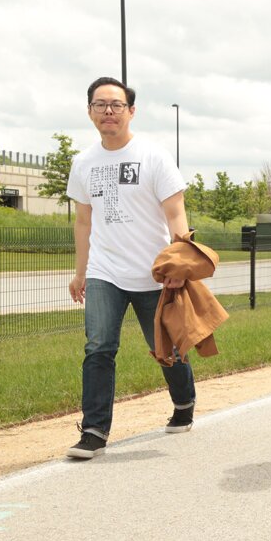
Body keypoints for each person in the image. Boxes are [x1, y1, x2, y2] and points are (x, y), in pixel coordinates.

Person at [65, 76, 196, 459]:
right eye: (100, 104)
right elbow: (84, 222)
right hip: (105, 272)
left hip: (154, 272)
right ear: (90, 111)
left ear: (131, 111)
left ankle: (184, 402)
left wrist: (179, 264)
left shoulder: (153, 157)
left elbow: (176, 215)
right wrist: (81, 272)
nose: (109, 111)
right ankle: (93, 430)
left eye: (116, 105)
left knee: (166, 348)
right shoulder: (83, 163)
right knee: (98, 347)